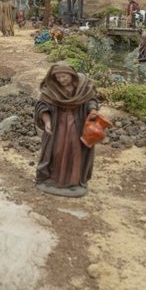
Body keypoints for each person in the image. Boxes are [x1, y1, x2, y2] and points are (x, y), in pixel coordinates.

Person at [34, 63, 99, 198]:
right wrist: (47, 121)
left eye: (63, 76)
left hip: (77, 125)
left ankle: (73, 182)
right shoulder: (52, 89)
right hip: (59, 125)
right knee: (56, 151)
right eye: (58, 78)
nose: (61, 80)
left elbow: (91, 99)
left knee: (75, 152)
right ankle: (53, 179)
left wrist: (92, 111)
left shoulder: (82, 87)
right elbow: (42, 105)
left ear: (71, 74)